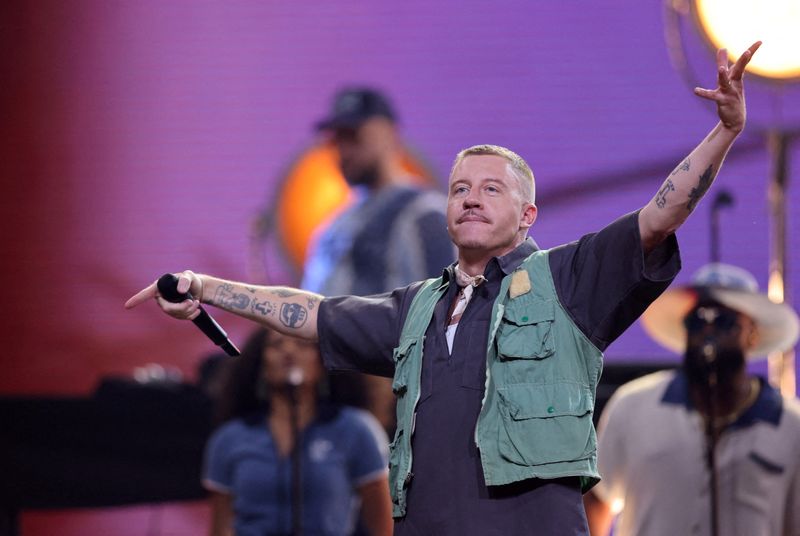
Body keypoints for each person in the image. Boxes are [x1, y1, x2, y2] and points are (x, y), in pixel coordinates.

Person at [126, 42, 762, 535]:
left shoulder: (568, 280)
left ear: (528, 215)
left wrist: (726, 130)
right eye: (460, 188)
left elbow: (661, 214)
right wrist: (206, 287)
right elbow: (312, 313)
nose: (470, 198)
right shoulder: (417, 309)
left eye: (491, 188)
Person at [584, 263, 800, 536]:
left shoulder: (792, 426)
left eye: (724, 322)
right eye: (696, 321)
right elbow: (598, 498)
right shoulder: (632, 405)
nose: (708, 332)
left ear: (752, 334)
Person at [303, 86, 456, 432]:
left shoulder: (423, 213)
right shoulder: (334, 223)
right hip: (332, 392)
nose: (343, 149)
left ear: (388, 134)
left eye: (354, 135)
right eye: (337, 138)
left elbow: (440, 313)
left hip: (390, 398)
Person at [203, 327, 393, 536]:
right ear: (260, 365)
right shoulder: (230, 438)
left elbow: (382, 525)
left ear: (323, 362)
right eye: (276, 345)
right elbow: (221, 527)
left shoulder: (355, 429)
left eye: (303, 345)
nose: (289, 351)